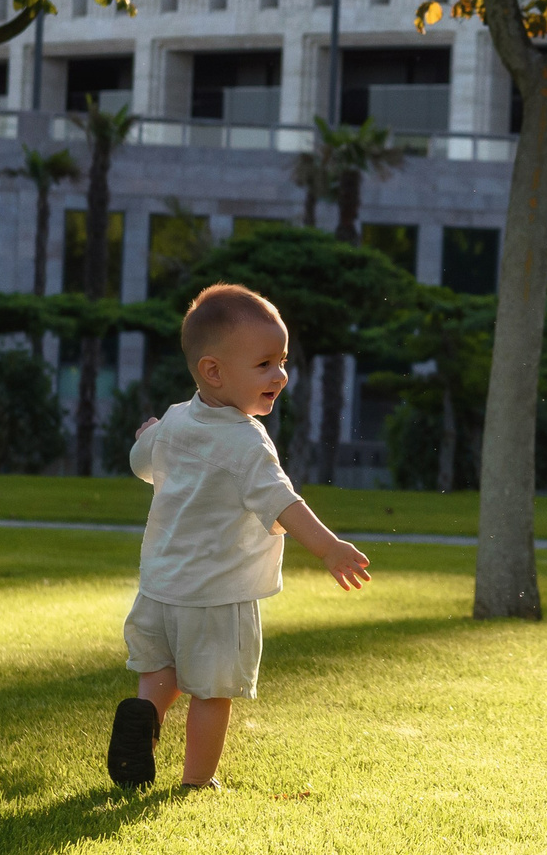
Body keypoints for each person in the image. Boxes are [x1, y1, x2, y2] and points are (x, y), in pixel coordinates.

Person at [107, 283, 370, 791]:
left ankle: (144, 715)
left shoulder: (175, 420)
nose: (280, 375)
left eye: (282, 361)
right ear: (214, 371)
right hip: (218, 594)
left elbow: (142, 464)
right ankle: (197, 780)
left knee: (161, 672)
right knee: (213, 691)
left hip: (159, 588)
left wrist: (147, 434)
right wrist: (329, 547)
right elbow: (282, 502)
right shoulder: (246, 442)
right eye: (265, 364)